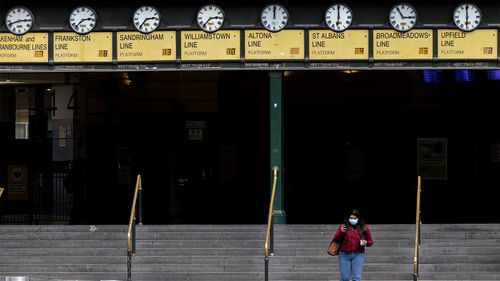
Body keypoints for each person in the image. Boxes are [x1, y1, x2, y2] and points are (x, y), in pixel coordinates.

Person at [332, 209, 373, 281]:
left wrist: (366, 242)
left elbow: (370, 242)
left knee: (356, 278)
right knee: (344, 278)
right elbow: (336, 239)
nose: (352, 219)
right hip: (344, 254)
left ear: (358, 219)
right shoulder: (343, 226)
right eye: (351, 218)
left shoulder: (364, 227)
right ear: (348, 218)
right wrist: (341, 232)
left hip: (358, 255)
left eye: (355, 218)